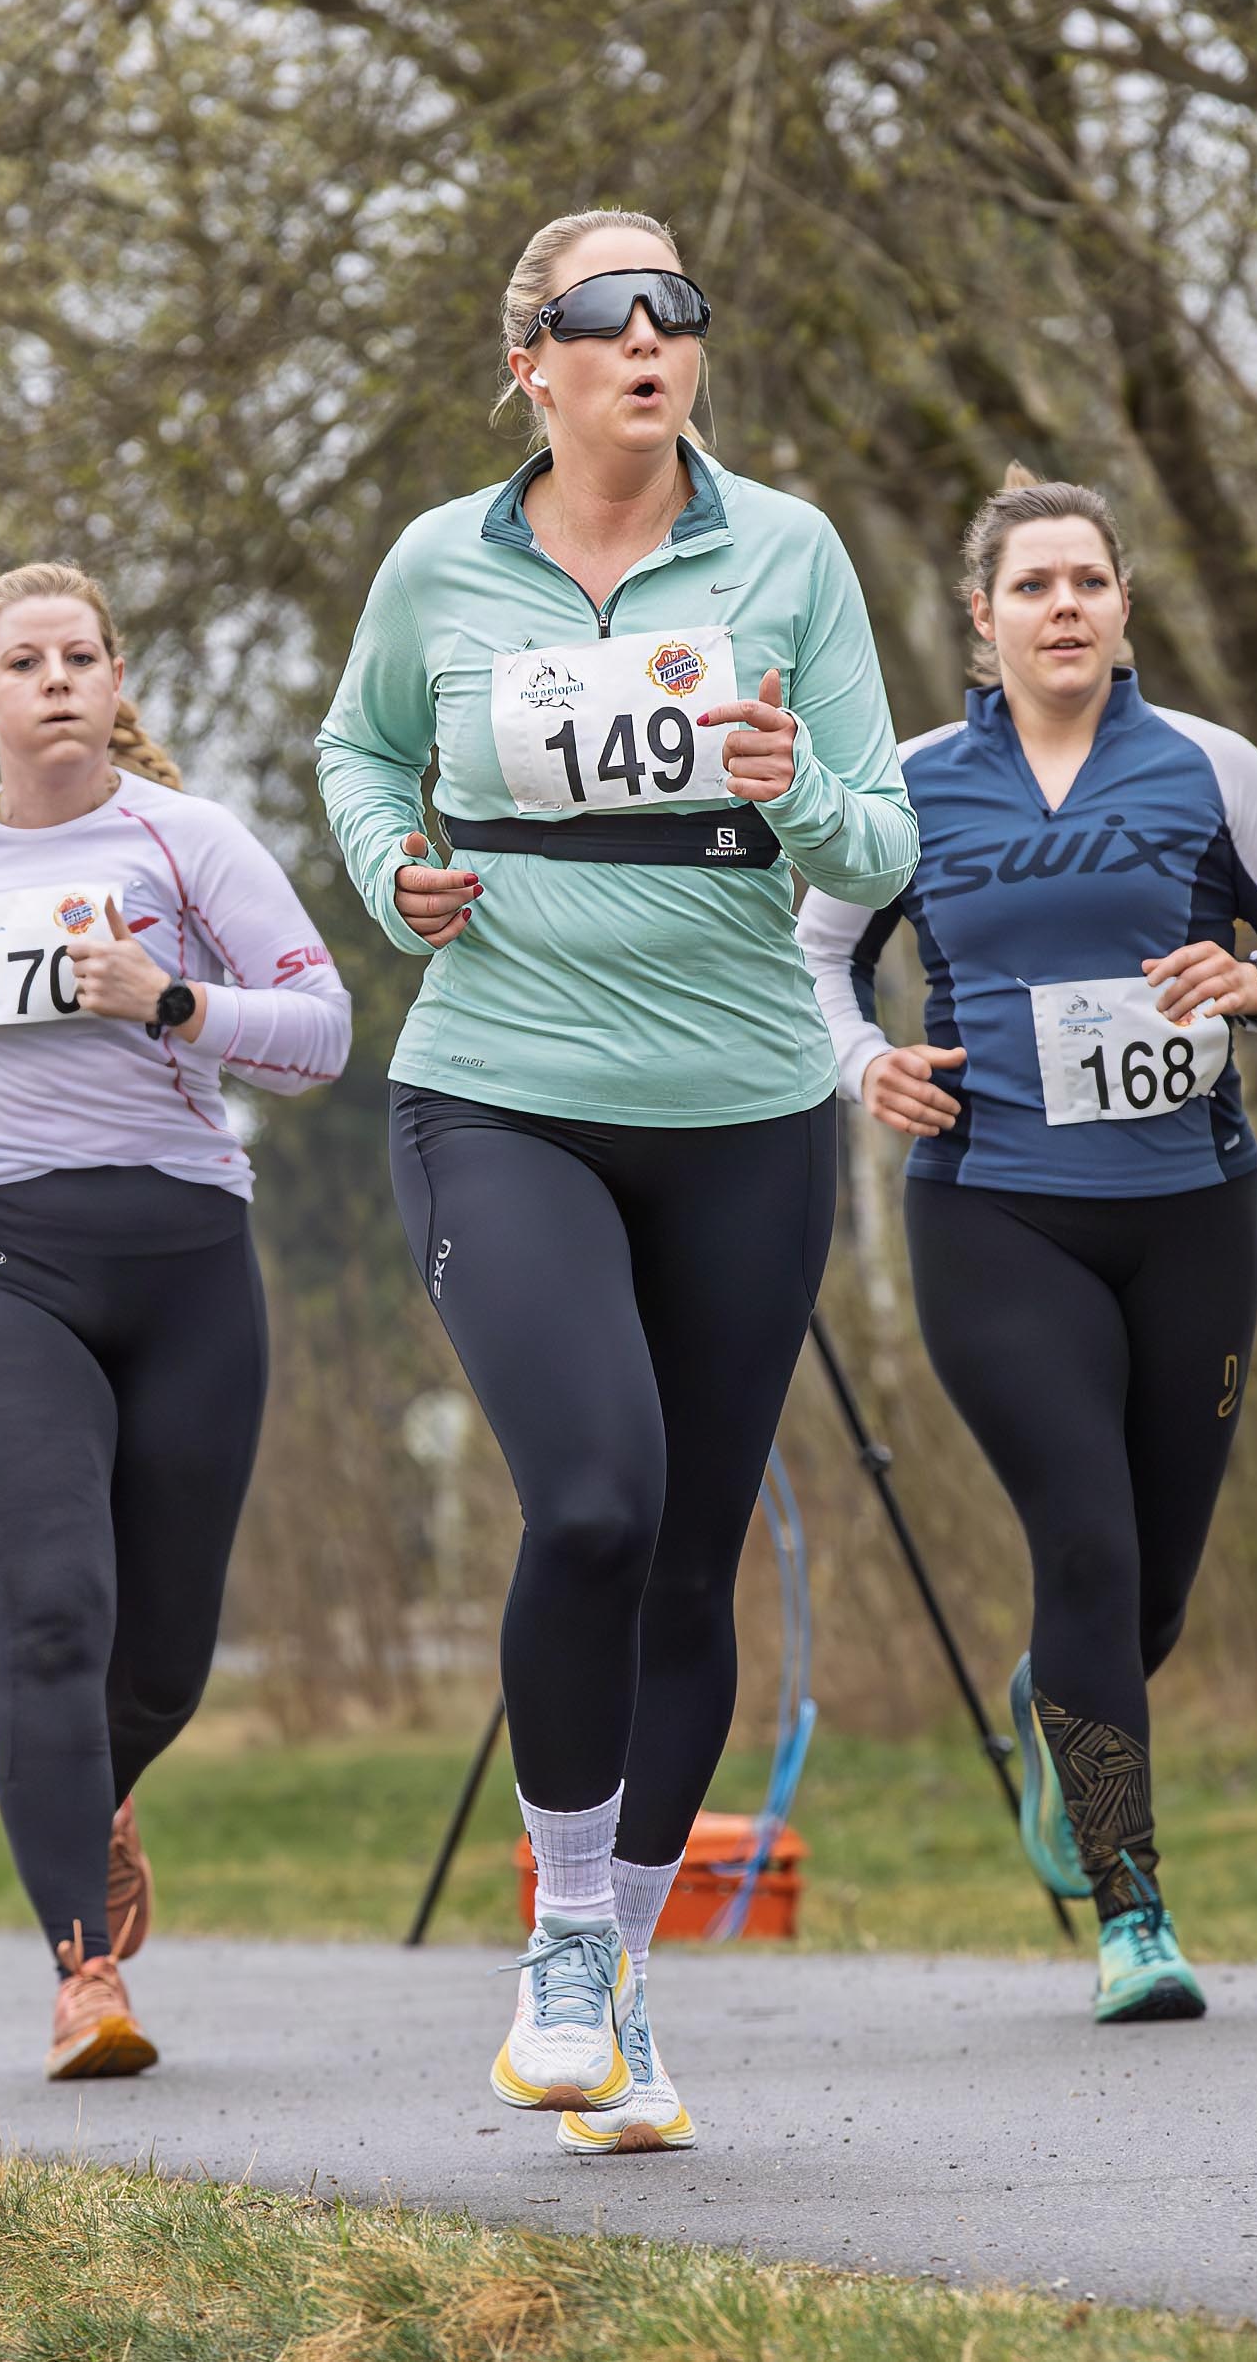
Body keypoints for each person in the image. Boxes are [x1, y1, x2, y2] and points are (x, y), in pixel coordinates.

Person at [317, 207, 916, 2155]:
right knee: (588, 1500)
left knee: (688, 1546)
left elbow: (878, 833)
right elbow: (354, 749)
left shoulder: (788, 552)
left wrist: (787, 789)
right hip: (501, 1088)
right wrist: (394, 870)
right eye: (604, 313)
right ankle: (562, 1941)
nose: (649, 336)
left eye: (677, 310)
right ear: (534, 363)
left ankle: (628, 1976)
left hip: (742, 1108)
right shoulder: (438, 564)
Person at [798, 472, 1257, 2022]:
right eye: (1032, 585)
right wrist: (869, 1068)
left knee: (1152, 1587)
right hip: (995, 1214)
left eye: (1088, 583)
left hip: (1191, 1213)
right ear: (979, 621)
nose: (1064, 606)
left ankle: (1059, 1700)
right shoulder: (904, 786)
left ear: (1125, 608)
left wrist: (1256, 985)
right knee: (1087, 1546)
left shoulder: (1212, 768)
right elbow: (814, 971)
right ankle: (1133, 1907)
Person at [0, 559, 349, 2081]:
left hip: (182, 1258)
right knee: (50, 1605)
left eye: (79, 657)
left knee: (159, 1657)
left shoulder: (191, 841)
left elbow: (322, 1031)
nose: (53, 679)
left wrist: (171, 1000)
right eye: (22, 661)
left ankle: (95, 1795)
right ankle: (80, 1975)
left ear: (115, 687)